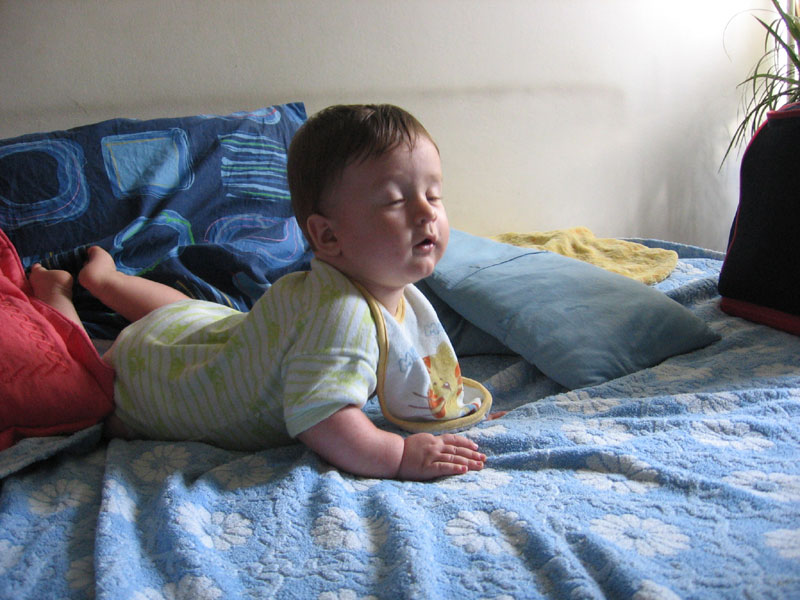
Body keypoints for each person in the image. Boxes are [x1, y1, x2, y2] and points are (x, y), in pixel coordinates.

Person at [28, 104, 494, 481]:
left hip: (208, 336)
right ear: (328, 236)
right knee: (83, 389)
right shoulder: (343, 316)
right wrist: (398, 456)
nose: (426, 213)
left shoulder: (386, 290)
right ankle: (58, 298)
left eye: (434, 195)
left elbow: (417, 365)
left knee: (198, 316)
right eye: (396, 200)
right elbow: (322, 419)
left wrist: (453, 411)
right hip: (160, 383)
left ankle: (107, 282)